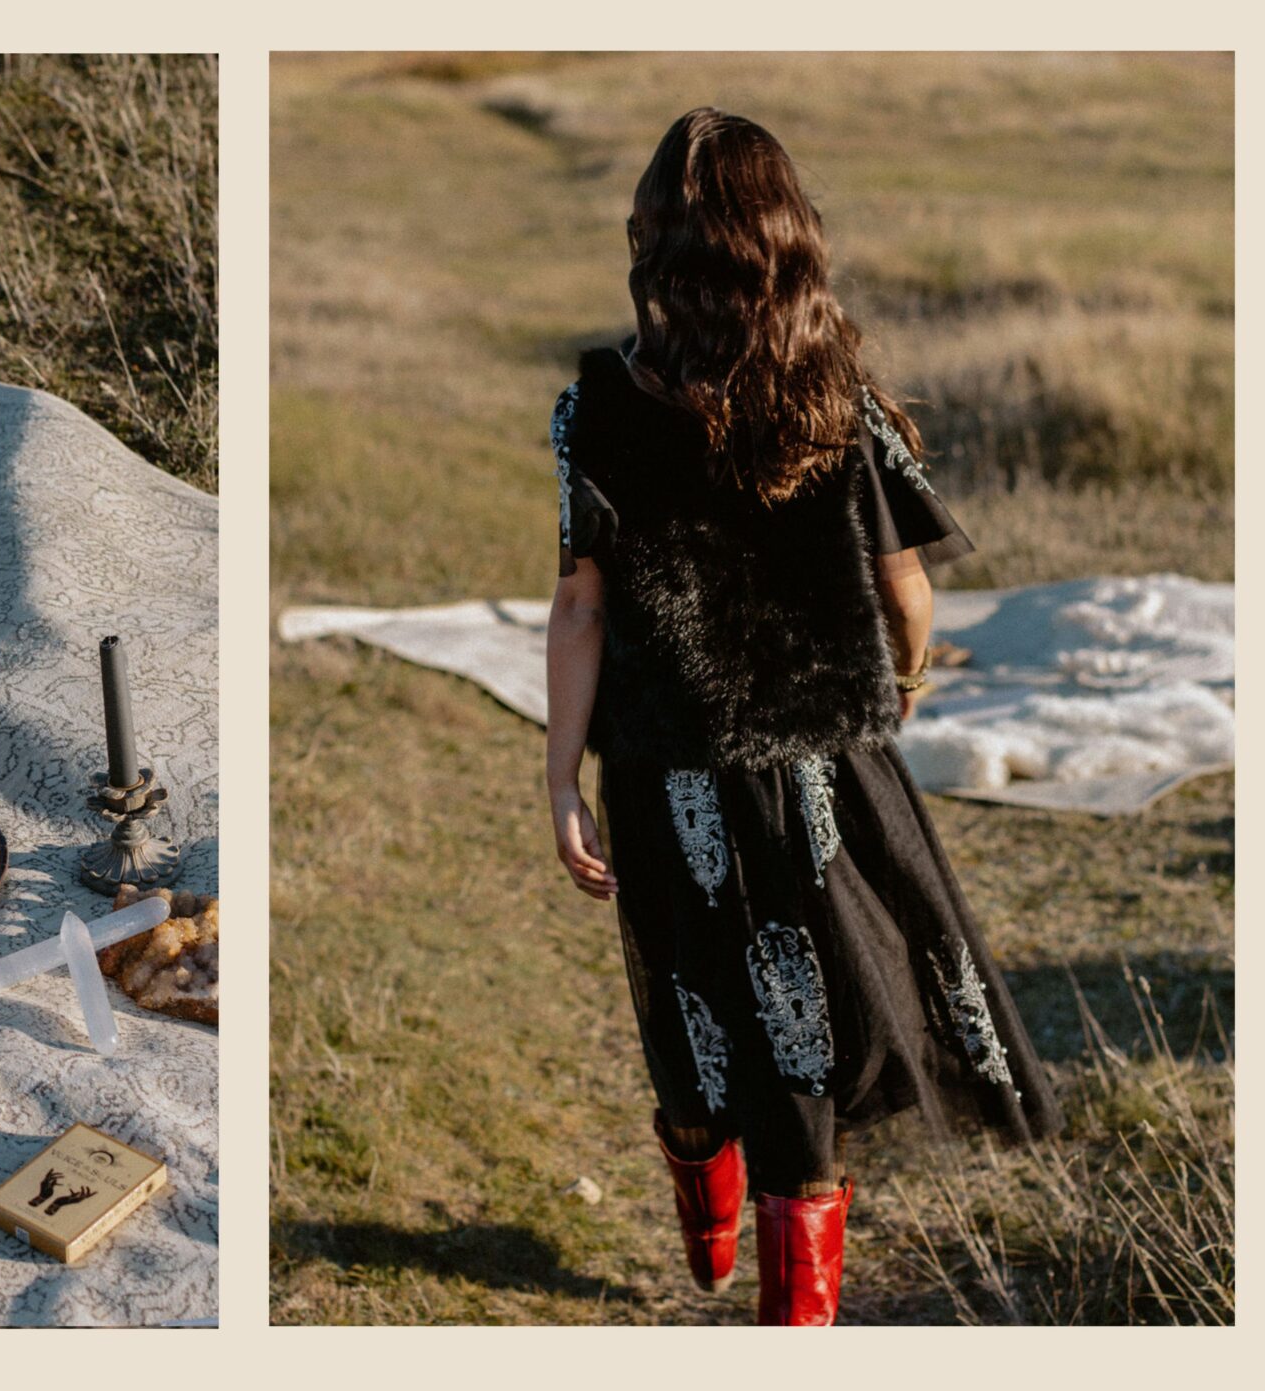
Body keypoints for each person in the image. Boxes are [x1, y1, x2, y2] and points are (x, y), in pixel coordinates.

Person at [544, 107, 1063, 1326]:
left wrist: (558, 777)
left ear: (656, 248)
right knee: (811, 1036)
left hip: (666, 777)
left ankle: (708, 1228)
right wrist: (905, 678)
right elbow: (905, 590)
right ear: (785, 239)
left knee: (687, 1014)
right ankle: (793, 1318)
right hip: (825, 776)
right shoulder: (840, 401)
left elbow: (578, 610)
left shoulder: (595, 409)